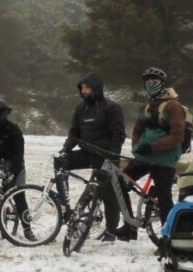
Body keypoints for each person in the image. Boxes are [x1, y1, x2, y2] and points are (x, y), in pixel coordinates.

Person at [117, 67, 186, 241]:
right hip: (145, 156)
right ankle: (129, 225)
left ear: (162, 84)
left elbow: (177, 135)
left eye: (154, 82)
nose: (151, 85)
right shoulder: (146, 106)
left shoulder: (173, 106)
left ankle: (168, 237)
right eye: (148, 82)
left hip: (165, 158)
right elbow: (138, 129)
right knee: (119, 182)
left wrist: (154, 147)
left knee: (164, 196)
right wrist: (136, 147)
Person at [57, 73, 126, 241]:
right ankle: (65, 206)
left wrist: (113, 156)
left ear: (96, 88)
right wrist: (65, 149)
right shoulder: (81, 108)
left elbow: (119, 134)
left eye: (87, 88)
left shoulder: (112, 107)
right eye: (82, 88)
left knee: (109, 193)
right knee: (59, 163)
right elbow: (74, 132)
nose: (83, 91)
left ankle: (111, 231)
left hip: (105, 156)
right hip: (86, 153)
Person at [0, 97, 30, 238]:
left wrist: (12, 171)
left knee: (18, 195)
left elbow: (19, 152)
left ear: (1, 114)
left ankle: (27, 228)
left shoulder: (13, 129)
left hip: (16, 165)